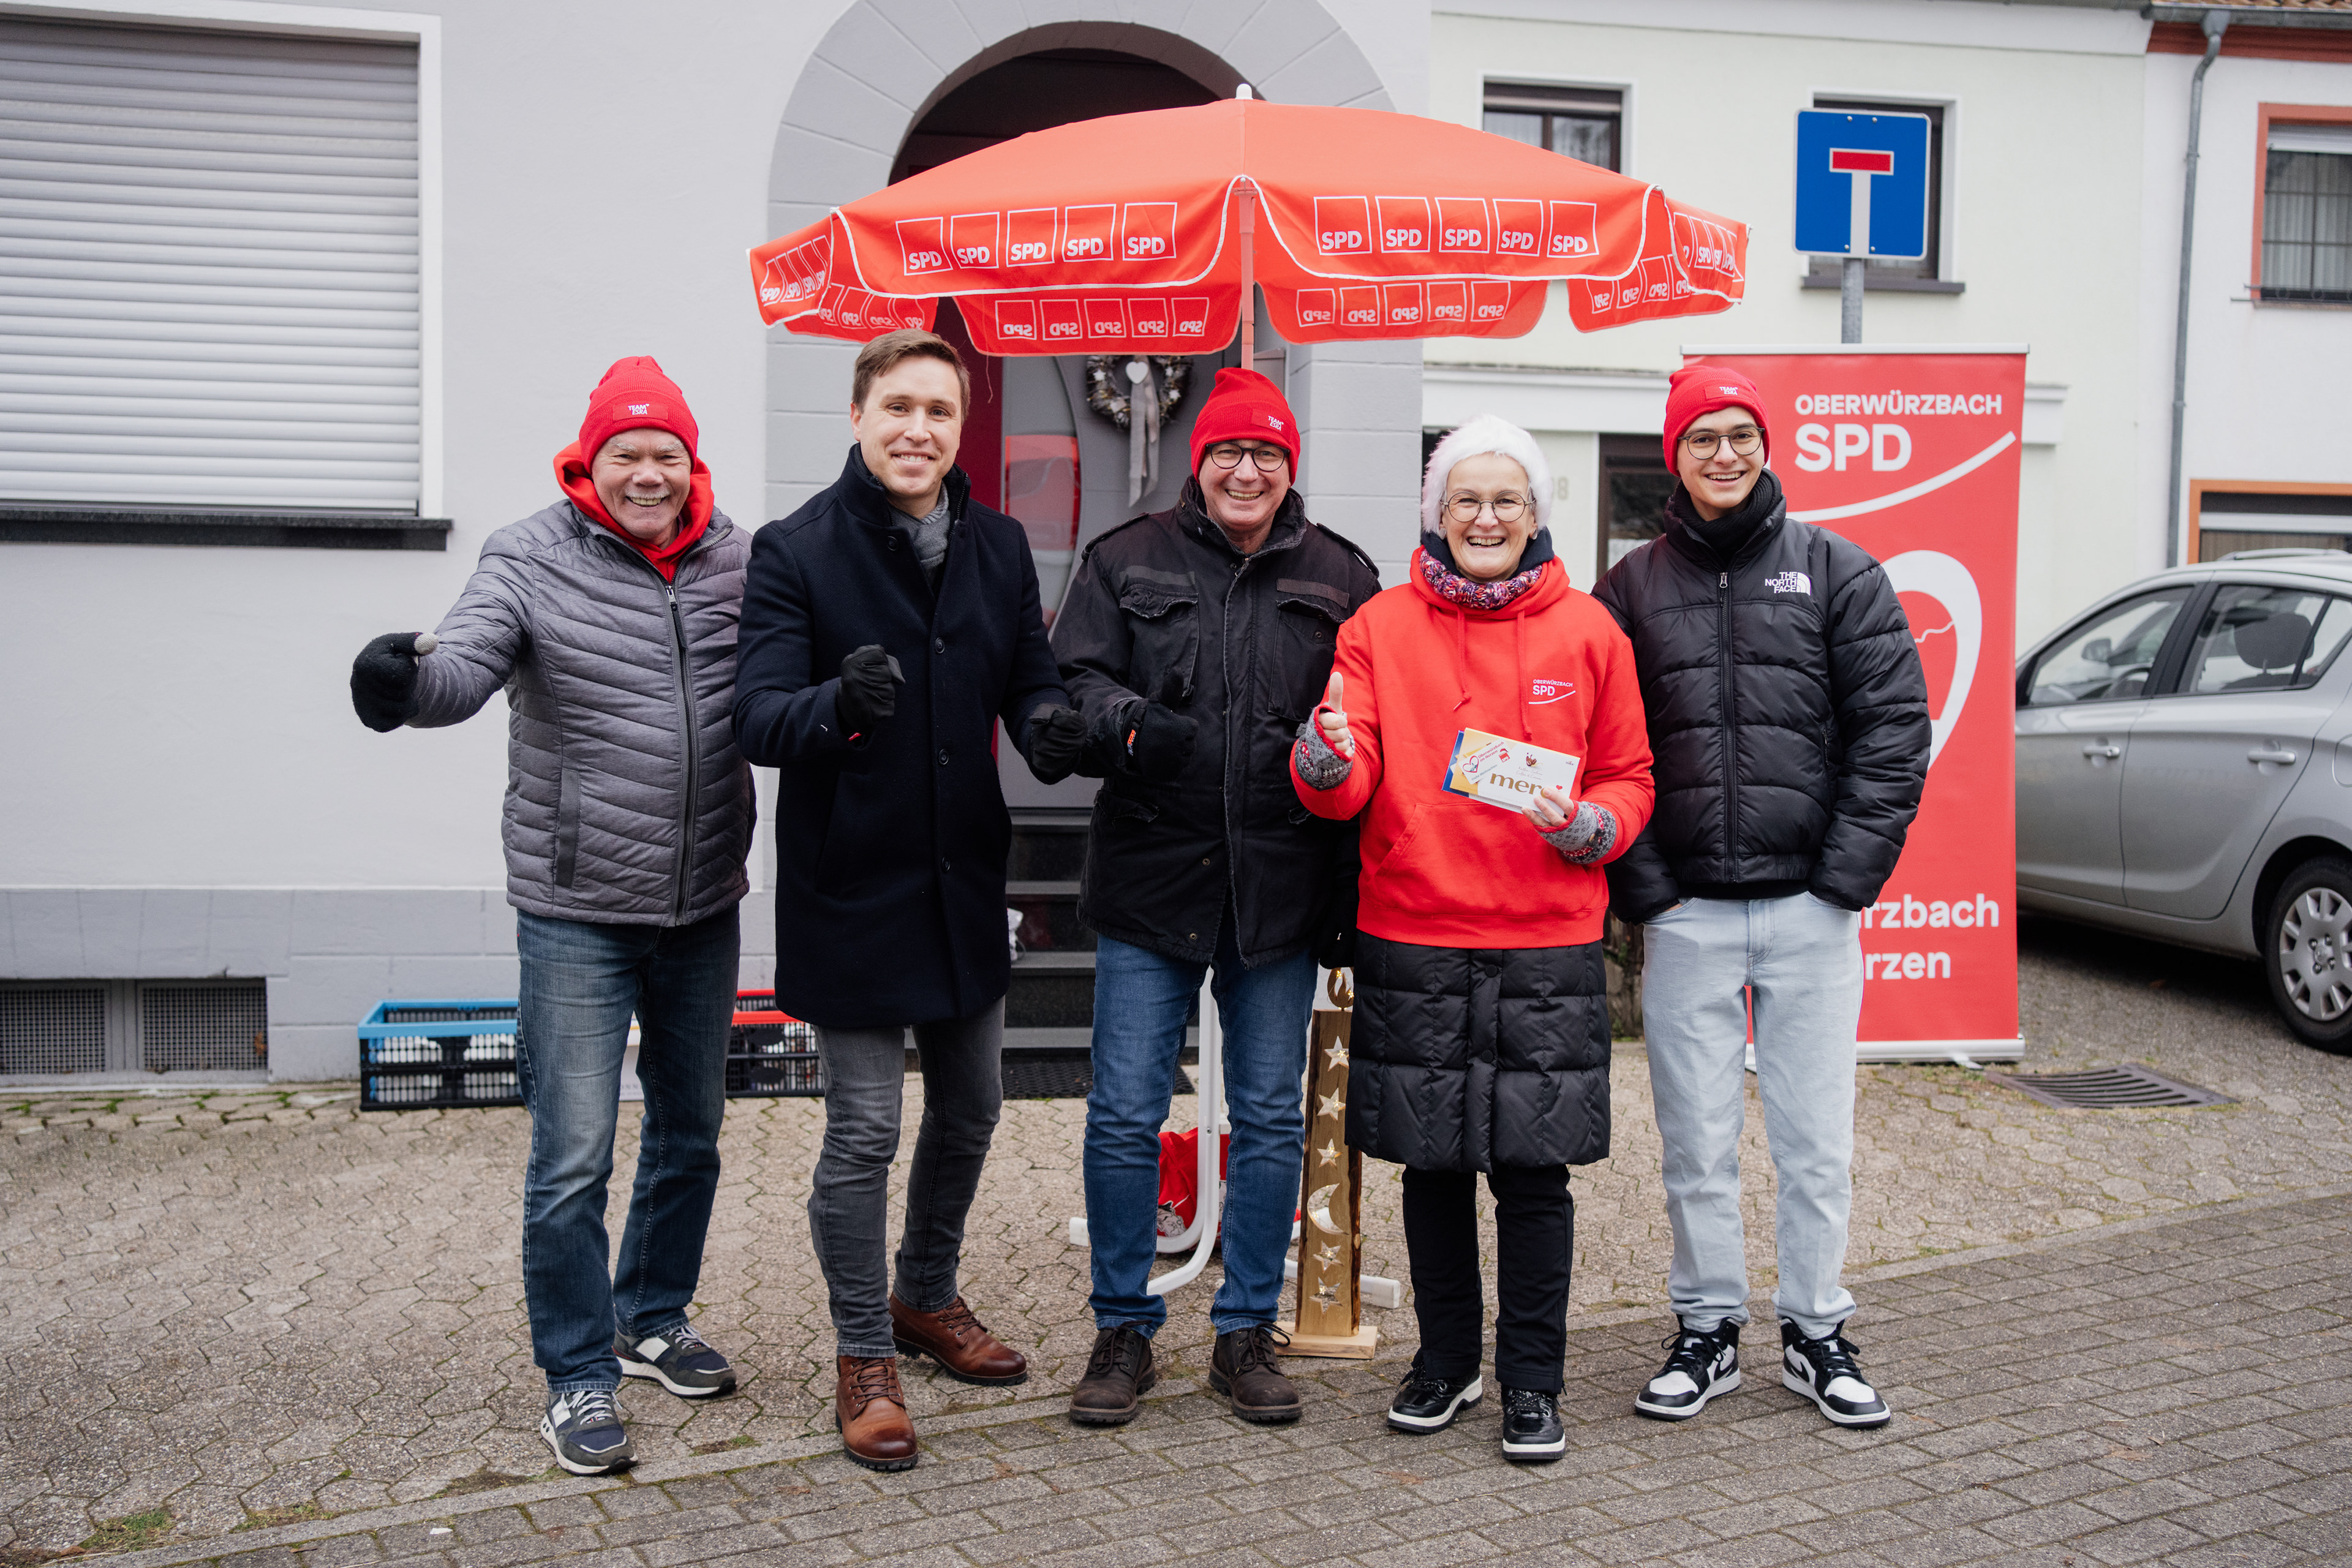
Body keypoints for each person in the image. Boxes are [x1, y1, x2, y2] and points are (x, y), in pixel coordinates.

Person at [347, 357, 750, 1477]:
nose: (648, 473)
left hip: (704, 898)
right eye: (626, 454)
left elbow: (782, 682)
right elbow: (463, 667)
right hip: (578, 906)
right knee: (574, 1155)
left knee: (692, 1132)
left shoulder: (738, 557)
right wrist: (398, 687)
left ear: (692, 463)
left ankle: (651, 1316)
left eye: (666, 453)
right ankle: (576, 1374)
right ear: (588, 462)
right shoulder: (529, 554)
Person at [732, 328, 1082, 1472]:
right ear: (857, 416)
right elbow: (757, 717)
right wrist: (837, 704)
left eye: (939, 411)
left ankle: (926, 1294)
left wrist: (1048, 725)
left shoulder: (998, 544)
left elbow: (1027, 677)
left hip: (962, 876)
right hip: (852, 884)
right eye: (898, 408)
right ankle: (864, 1352)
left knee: (974, 1107)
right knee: (866, 1129)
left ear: (959, 428)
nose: (917, 430)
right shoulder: (796, 550)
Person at [1292, 415, 1654, 1463]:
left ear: (1536, 514)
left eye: (1506, 500)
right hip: (1414, 927)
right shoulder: (1377, 626)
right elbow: (1346, 778)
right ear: (1436, 513)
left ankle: (1533, 1383)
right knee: (1433, 1168)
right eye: (1465, 499)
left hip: (1547, 936)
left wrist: (1592, 825)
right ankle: (1446, 1362)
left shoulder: (1591, 632)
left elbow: (1630, 778)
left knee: (1536, 1176)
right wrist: (1324, 760)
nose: (1485, 518)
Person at [1594, 365, 1929, 1430]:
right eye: (1703, 438)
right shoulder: (1630, 588)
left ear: (1766, 446)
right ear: (1675, 455)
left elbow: (1893, 733)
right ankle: (1707, 1330)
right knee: (1695, 1144)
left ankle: (1817, 1331)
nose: (1724, 454)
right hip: (1686, 914)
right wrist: (1648, 890)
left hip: (1810, 913)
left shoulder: (1838, 571)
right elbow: (1599, 744)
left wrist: (1841, 884)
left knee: (1814, 1141)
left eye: (1741, 434)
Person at [1052, 367, 1381, 1428]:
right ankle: (1122, 1327)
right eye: (1230, 451)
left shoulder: (1342, 574)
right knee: (1124, 1113)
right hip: (1153, 876)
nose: (1248, 470)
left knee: (1272, 1116)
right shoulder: (1126, 558)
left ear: (1291, 465)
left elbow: (1372, 720)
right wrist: (1131, 725)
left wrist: (1351, 867)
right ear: (1200, 461)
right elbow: (1071, 683)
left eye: (1268, 453)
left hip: (1281, 886)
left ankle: (1244, 1329)